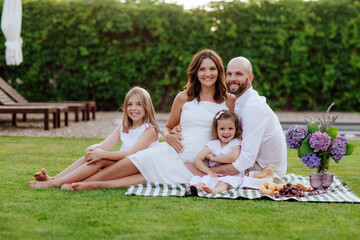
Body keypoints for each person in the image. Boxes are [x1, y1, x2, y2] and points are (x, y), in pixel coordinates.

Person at [65, 49, 236, 191]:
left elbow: (235, 134)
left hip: (195, 165)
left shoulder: (229, 100)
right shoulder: (183, 98)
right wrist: (168, 136)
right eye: (202, 69)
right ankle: (70, 182)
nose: (208, 74)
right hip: (171, 153)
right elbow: (168, 127)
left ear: (219, 71)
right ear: (195, 72)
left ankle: (89, 184)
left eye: (212, 69)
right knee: (130, 162)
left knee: (144, 177)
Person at [29, 87, 160, 189]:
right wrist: (93, 148)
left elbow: (131, 153)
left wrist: (101, 154)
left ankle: (55, 183)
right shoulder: (123, 127)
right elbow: (105, 144)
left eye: (139, 104)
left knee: (100, 159)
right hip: (123, 162)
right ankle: (52, 179)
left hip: (139, 166)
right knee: (92, 156)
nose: (133, 108)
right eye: (129, 104)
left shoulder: (150, 130)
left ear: (147, 107)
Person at [211, 56, 287, 177]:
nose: (232, 79)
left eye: (238, 74)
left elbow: (246, 160)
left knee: (201, 169)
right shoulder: (243, 101)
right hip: (254, 165)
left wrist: (206, 172)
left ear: (250, 77)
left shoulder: (253, 108)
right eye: (229, 74)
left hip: (264, 172)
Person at [188, 110, 243, 194]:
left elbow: (232, 157)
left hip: (230, 175)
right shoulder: (213, 144)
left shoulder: (235, 142)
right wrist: (210, 171)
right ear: (216, 129)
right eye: (222, 128)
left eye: (230, 128)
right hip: (213, 174)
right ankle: (198, 187)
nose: (226, 132)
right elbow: (197, 160)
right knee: (204, 179)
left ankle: (215, 191)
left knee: (224, 183)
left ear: (236, 129)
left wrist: (214, 158)